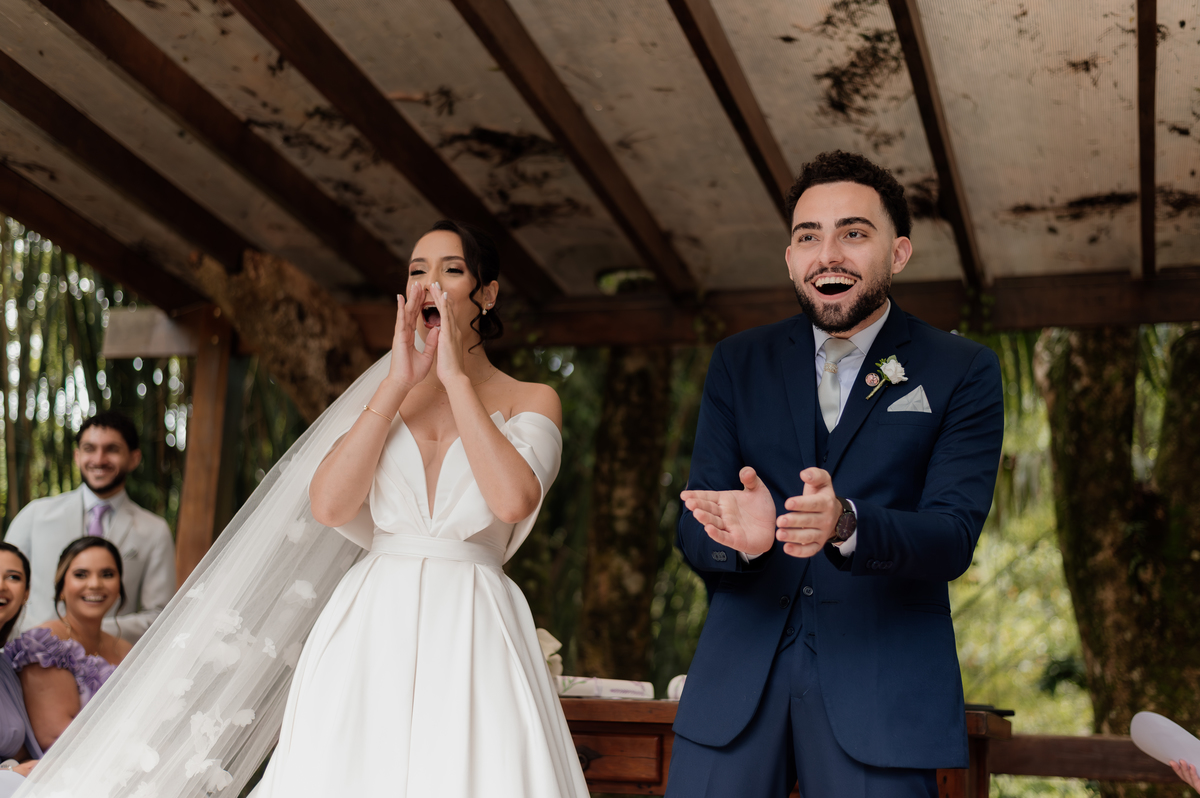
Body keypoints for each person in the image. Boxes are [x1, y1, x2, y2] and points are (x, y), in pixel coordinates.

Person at [667, 151, 1004, 797]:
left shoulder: (962, 369)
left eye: (853, 233)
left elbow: (952, 537)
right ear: (790, 258)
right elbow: (693, 524)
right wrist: (741, 540)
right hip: (737, 686)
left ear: (897, 254)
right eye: (808, 236)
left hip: (882, 687)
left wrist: (847, 523)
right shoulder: (738, 361)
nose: (828, 255)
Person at [249, 220, 587, 796]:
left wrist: (455, 379)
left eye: (451, 269)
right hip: (371, 616)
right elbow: (329, 505)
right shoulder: (382, 394)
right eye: (416, 271)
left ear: (487, 293)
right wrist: (395, 384)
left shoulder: (532, 399)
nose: (430, 283)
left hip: (474, 618)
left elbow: (512, 499)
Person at [6, 411, 175, 643]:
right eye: (89, 448)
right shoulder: (35, 515)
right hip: (31, 652)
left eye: (112, 449)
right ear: (77, 456)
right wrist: (38, 635)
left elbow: (159, 616)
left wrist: (87, 631)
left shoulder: (154, 531)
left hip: (112, 661)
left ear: (134, 458)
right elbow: (5, 590)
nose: (99, 459)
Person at [5, 537, 129, 752]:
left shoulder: (128, 650)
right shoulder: (44, 645)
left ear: (119, 586)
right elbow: (55, 736)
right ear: (61, 587)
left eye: (107, 574)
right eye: (81, 574)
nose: (95, 584)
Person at [0, 542, 42, 790]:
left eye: (13, 577)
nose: (1, 586)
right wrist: (9, 773)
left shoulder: (6, 665)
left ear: (26, 593)